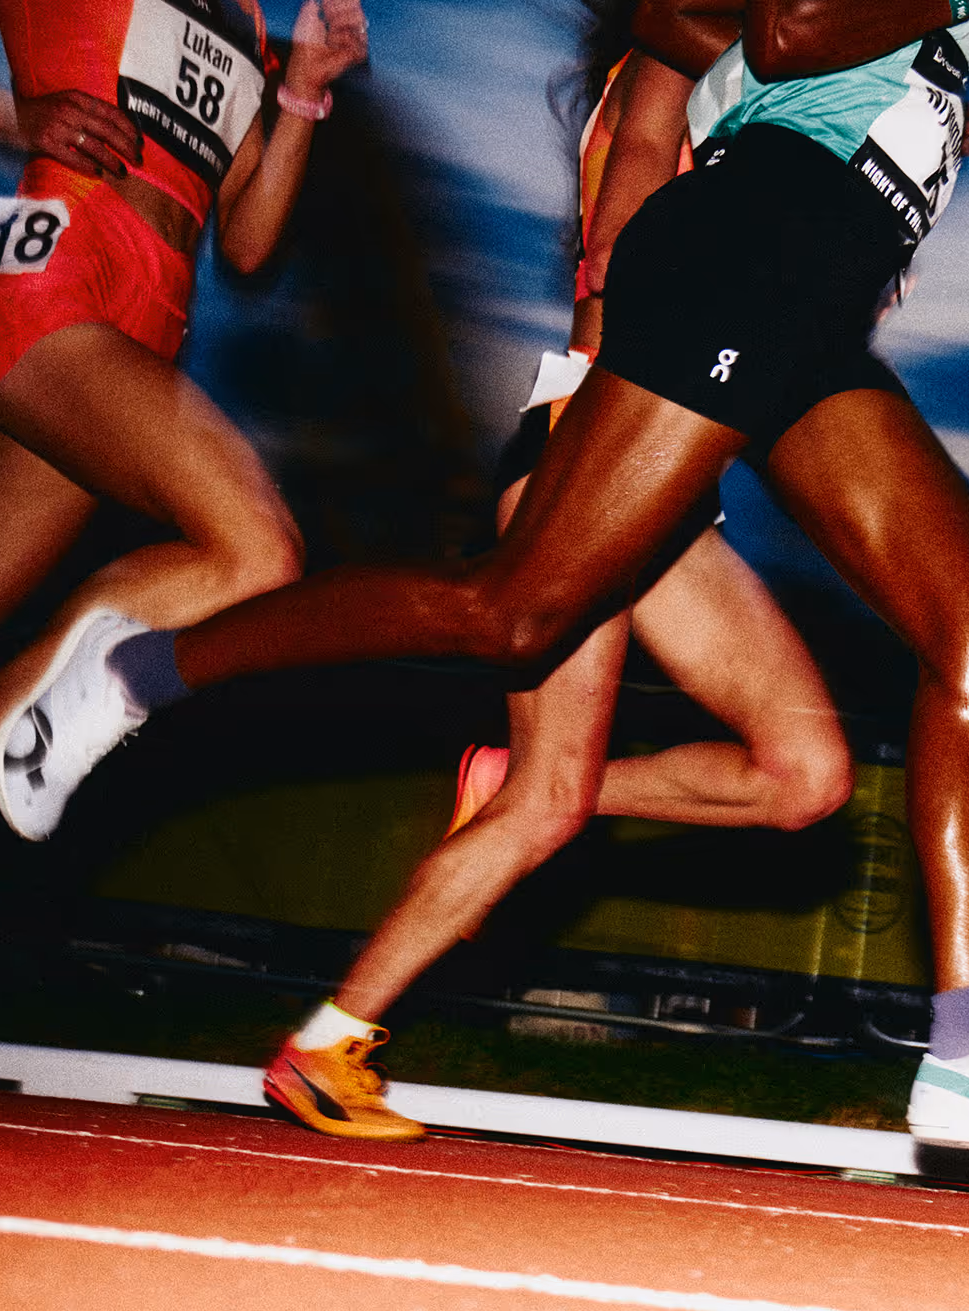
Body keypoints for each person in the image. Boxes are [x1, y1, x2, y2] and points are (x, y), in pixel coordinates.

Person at [0, 0, 969, 1158]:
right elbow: (782, 32)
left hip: (808, 288)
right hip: (754, 256)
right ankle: (138, 669)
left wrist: (922, 98)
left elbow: (764, 51)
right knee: (511, 618)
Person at [266, 12, 856, 1140]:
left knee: (805, 775)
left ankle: (510, 787)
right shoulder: (675, 62)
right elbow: (631, 204)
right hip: (592, 445)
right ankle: (328, 1043)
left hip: (671, 486)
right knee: (549, 801)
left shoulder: (755, 99)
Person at [0, 0, 369, 968]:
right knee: (254, 546)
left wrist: (299, 95)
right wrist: (7, 117)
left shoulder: (243, 16)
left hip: (145, 322)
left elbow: (245, 245)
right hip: (53, 280)